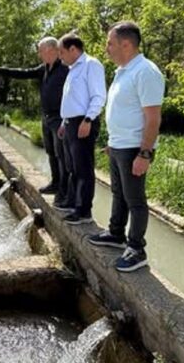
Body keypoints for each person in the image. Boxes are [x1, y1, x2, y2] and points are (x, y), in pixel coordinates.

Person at [88, 21, 165, 273]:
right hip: (119, 145)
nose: (106, 48)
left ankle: (136, 249)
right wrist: (113, 143)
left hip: (135, 148)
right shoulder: (123, 71)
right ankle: (116, 233)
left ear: (126, 44)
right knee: (118, 193)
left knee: (135, 200)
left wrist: (145, 153)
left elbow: (153, 118)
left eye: (110, 43)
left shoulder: (146, 71)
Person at [0, 37, 71, 204]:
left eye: (40, 50)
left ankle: (64, 190)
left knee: (61, 155)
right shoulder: (44, 68)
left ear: (51, 50)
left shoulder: (65, 68)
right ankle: (55, 183)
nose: (39, 54)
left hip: (60, 118)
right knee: (51, 152)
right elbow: (23, 73)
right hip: (47, 117)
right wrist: (0, 70)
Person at [56, 33, 106, 226]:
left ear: (73, 49)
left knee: (83, 167)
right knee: (73, 167)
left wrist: (88, 119)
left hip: (83, 122)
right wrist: (64, 123)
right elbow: (72, 99)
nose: (60, 56)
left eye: (62, 52)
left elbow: (98, 96)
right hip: (70, 122)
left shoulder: (91, 65)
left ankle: (83, 211)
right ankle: (73, 203)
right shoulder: (72, 69)